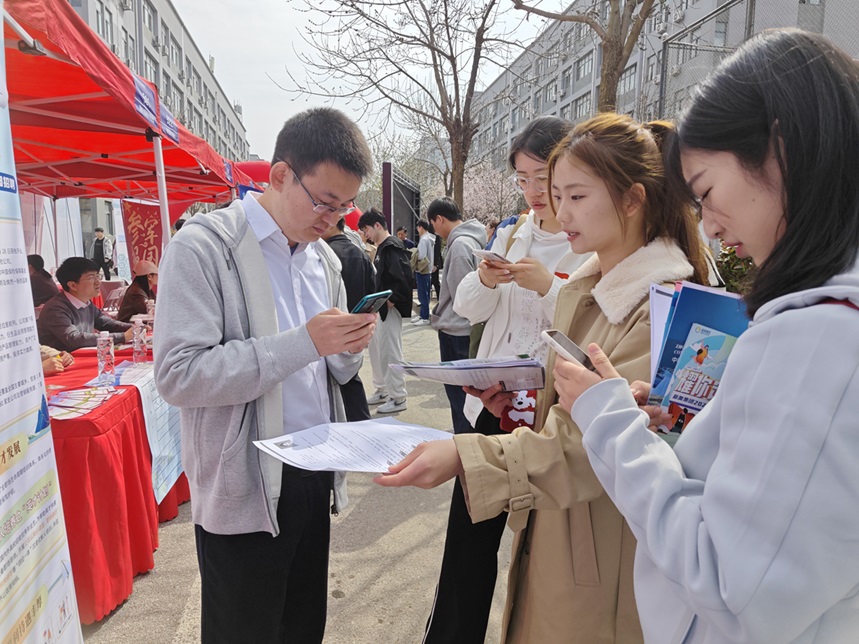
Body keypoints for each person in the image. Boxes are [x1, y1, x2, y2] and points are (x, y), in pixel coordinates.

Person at [552, 30, 859, 644]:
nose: (713, 228)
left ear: (782, 148)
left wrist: (610, 422)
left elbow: (730, 584)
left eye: (709, 194)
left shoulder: (816, 340)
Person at [377, 113, 710, 643]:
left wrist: (464, 456)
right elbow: (574, 417)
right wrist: (515, 410)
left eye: (574, 196)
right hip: (562, 529)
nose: (558, 209)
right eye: (549, 192)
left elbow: (586, 450)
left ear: (633, 199)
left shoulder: (660, 306)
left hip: (601, 550)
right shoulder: (588, 284)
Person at [153, 107, 376, 644]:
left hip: (313, 471)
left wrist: (347, 348)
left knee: (303, 628)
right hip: (244, 486)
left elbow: (330, 369)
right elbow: (179, 374)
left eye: (345, 207)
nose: (334, 219)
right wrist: (304, 342)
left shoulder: (323, 261)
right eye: (325, 202)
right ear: (279, 176)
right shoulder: (205, 247)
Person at [415, 116, 590, 644]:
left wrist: (550, 287)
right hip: (491, 404)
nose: (535, 193)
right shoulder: (511, 232)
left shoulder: (590, 242)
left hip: (548, 418)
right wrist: (486, 279)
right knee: (467, 544)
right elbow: (470, 308)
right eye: (523, 179)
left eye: (545, 179)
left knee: (545, 552)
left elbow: (595, 326)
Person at [427, 197, 486, 433]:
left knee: (460, 398)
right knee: (467, 397)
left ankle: (464, 450)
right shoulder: (472, 240)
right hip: (466, 329)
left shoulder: (460, 245)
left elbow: (463, 296)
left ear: (440, 219)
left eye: (433, 224)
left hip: (457, 331)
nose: (435, 231)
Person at [357, 208, 413, 413]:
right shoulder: (384, 248)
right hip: (381, 308)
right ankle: (383, 390)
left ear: (378, 225)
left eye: (367, 230)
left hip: (388, 308)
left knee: (390, 352)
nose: (366, 235)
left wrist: (392, 300)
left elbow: (405, 279)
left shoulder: (391, 247)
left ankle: (398, 397)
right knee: (380, 350)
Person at [321, 217, 376, 421]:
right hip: (356, 330)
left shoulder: (321, 255)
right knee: (352, 382)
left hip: (329, 333)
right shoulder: (359, 252)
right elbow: (372, 290)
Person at [37, 257, 134, 352]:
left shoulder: (86, 303)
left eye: (97, 276)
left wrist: (133, 327)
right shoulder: (56, 309)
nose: (98, 282)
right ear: (73, 285)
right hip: (62, 363)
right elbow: (74, 339)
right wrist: (122, 337)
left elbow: (107, 324)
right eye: (91, 277)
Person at [413, 219, 435, 325]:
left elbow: (421, 255)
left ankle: (424, 317)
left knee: (422, 294)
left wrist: (414, 253)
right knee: (425, 293)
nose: (417, 229)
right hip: (428, 269)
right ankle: (422, 315)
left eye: (418, 227)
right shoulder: (430, 239)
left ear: (421, 227)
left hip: (422, 269)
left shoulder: (423, 240)